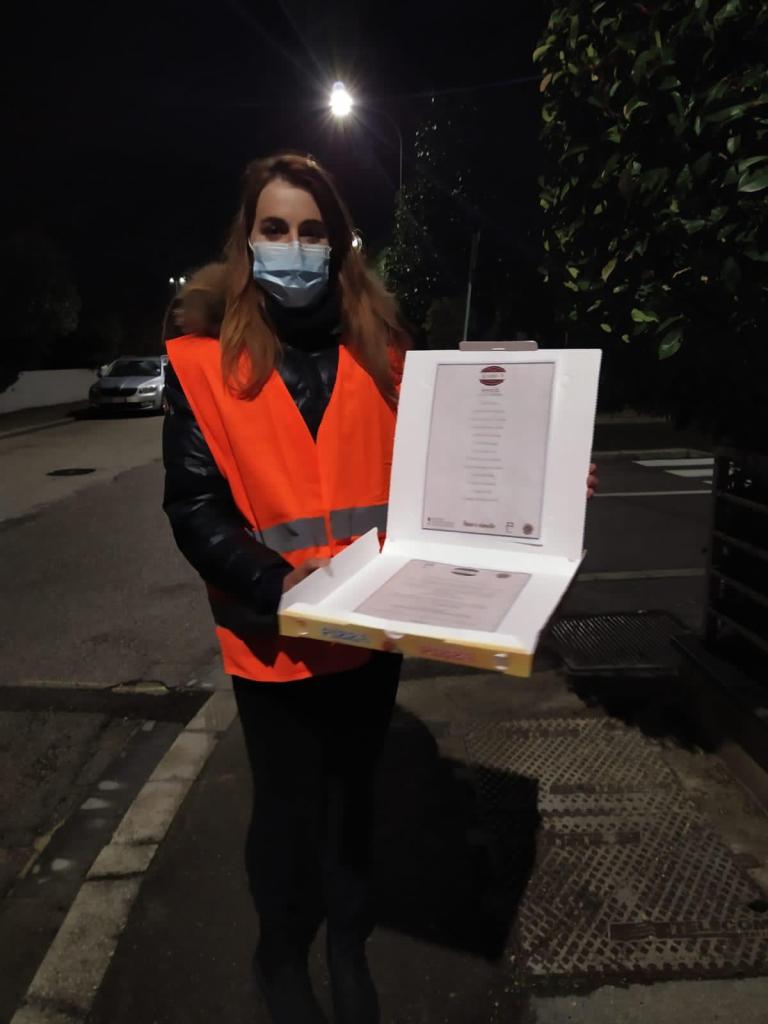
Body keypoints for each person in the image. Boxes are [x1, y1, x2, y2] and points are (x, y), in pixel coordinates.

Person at [162, 153, 409, 1024]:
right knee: (286, 807)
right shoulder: (202, 364)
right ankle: (280, 950)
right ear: (248, 240)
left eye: (312, 230)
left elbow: (450, 479)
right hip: (272, 636)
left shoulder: (389, 356)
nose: (294, 246)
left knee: (353, 796)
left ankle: (348, 943)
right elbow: (194, 508)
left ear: (337, 242)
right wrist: (276, 582)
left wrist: (544, 482)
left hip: (371, 630)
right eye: (275, 228)